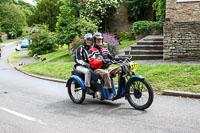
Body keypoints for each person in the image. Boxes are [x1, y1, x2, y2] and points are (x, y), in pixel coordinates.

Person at [88, 32, 123, 99]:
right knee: (106, 73)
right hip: (97, 69)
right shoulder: (91, 51)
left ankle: (120, 88)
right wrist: (102, 61)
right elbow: (92, 63)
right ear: (94, 40)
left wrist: (122, 58)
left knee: (121, 69)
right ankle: (110, 92)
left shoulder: (105, 50)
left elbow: (112, 58)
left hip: (106, 68)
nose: (100, 41)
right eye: (98, 39)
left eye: (101, 39)